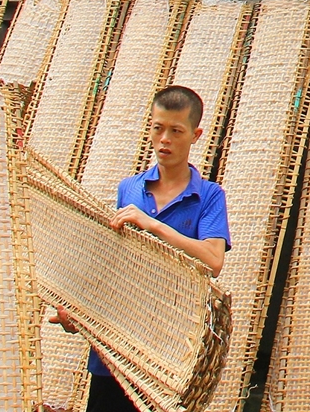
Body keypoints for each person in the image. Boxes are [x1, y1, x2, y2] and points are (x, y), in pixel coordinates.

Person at [51, 85, 230, 412]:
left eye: (176, 131)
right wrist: (79, 312)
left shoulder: (209, 196)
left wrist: (155, 225)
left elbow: (213, 260)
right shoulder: (129, 189)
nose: (165, 139)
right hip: (115, 349)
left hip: (169, 354)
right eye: (157, 128)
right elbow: (113, 263)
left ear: (195, 134)